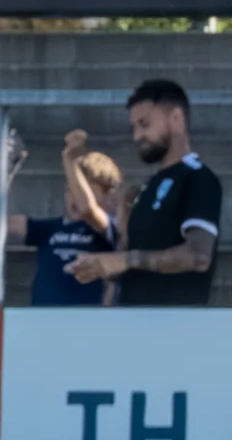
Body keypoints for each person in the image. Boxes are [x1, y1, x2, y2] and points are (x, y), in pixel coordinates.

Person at [69, 79, 221, 305]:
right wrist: (102, 264)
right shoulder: (146, 188)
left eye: (145, 124)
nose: (137, 136)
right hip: (136, 327)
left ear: (177, 119)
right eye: (135, 128)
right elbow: (130, 267)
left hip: (178, 330)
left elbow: (199, 256)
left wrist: (125, 260)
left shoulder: (198, 178)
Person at [6, 131, 121, 306]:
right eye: (70, 189)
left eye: (83, 191)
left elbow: (87, 210)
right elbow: (3, 223)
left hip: (85, 325)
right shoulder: (50, 228)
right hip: (42, 323)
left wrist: (70, 159)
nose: (75, 197)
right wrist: (6, 174)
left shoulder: (109, 228)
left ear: (108, 197)